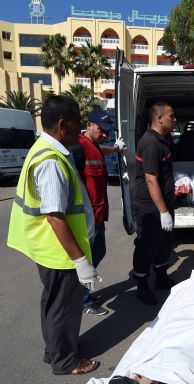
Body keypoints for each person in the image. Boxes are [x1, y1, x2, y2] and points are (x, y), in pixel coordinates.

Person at [7, 95, 100, 375]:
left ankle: (54, 351)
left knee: (52, 304)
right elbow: (55, 217)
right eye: (77, 124)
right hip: (59, 251)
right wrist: (81, 261)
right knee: (64, 309)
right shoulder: (51, 161)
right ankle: (66, 361)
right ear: (62, 124)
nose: (80, 130)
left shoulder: (47, 149)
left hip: (48, 248)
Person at [71, 110, 126, 316]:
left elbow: (100, 149)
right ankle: (83, 300)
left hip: (99, 214)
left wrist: (115, 148)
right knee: (87, 259)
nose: (105, 134)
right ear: (89, 125)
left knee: (99, 252)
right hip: (86, 218)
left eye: (107, 132)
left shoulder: (93, 145)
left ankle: (83, 293)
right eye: (102, 130)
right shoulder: (77, 148)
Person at [132, 102, 177, 305]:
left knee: (164, 244)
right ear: (159, 118)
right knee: (147, 246)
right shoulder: (151, 143)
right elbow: (151, 179)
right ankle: (142, 285)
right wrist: (162, 212)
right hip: (150, 208)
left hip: (163, 205)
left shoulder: (162, 140)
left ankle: (160, 277)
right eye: (171, 116)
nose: (174, 119)